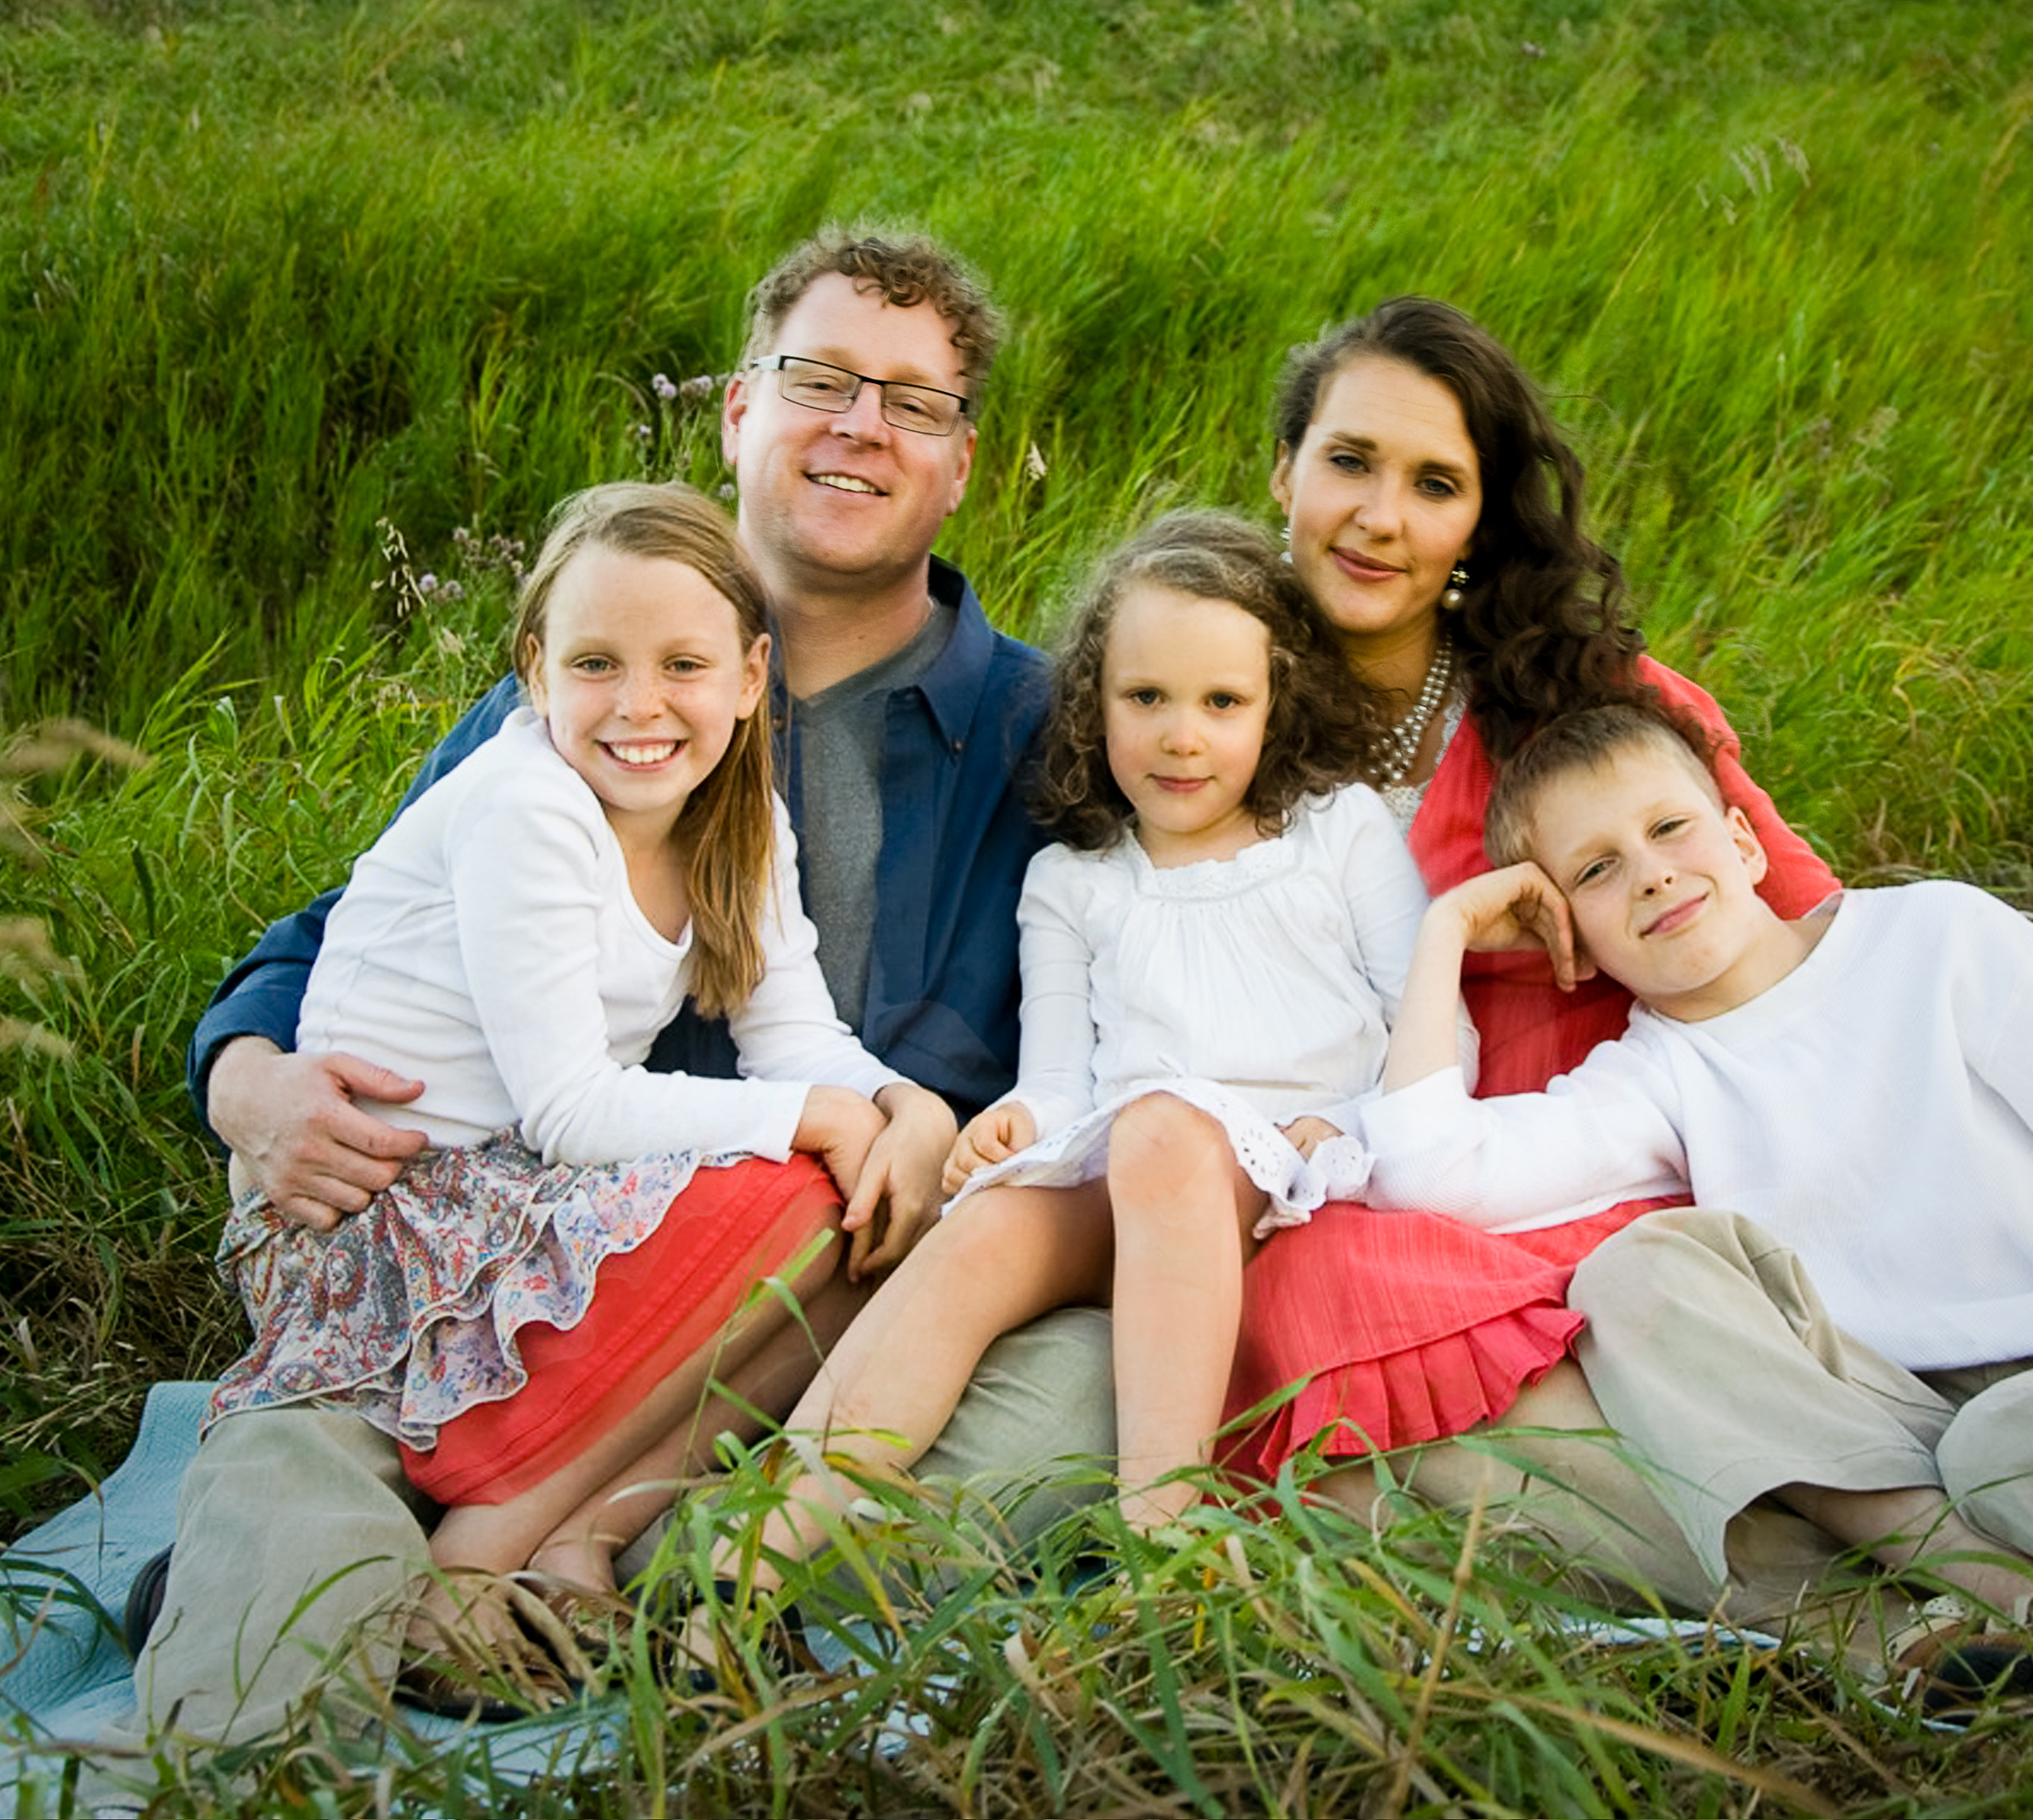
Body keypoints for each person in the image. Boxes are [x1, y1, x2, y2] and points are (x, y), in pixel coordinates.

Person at [131, 230, 1115, 1750]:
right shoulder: (592, 689)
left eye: (911, 404)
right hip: (515, 1223)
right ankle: (336, 1647)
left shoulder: (1045, 726)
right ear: (737, 409)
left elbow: (1125, 987)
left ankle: (583, 1570)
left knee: (1051, 1405)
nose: (860, 427)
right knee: (310, 1447)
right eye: (822, 380)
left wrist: (922, 1119)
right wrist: (247, 1076)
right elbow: (349, 932)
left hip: (852, 1274)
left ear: (964, 462)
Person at [694, 510, 1581, 1622]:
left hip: (1297, 1171)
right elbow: (1064, 1083)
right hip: (1134, 1181)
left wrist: (1346, 1133)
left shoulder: (1335, 832)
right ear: (1094, 705)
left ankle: (1163, 1548)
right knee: (986, 1229)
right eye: (1145, 699)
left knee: (1164, 1128)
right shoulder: (1076, 882)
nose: (1181, 736)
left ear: (1276, 704)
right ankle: (751, 1564)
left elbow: (1440, 1032)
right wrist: (1012, 1124)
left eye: (1222, 703)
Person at [1362, 699, 2033, 1684]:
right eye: (1597, 870)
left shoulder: (1939, 938)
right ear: (1571, 940)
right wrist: (1446, 934)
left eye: (1669, 828)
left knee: (2021, 1439)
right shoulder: (1656, 1077)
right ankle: (2026, 1606)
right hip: (1898, 1437)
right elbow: (1427, 1168)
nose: (1653, 872)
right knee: (1637, 1273)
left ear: (1747, 842)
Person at [202, 482, 940, 1711]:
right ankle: (479, 1552)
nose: (641, 706)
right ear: (533, 671)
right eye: (596, 663)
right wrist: (822, 1120)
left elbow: (797, 1036)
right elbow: (572, 1113)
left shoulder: (736, 815)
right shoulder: (527, 809)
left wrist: (904, 1110)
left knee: (867, 1216)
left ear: (752, 676)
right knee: (808, 1188)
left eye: (684, 664)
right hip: (385, 1225)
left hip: (505, 1198)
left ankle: (582, 1531)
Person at [1230, 296, 1853, 1622]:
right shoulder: (1210, 714)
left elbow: (1803, 936)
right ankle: (1824, 1604)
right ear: (1283, 471)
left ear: (1482, 520)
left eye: (1435, 483)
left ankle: (1859, 1571)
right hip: (1373, 1170)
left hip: (1623, 1156)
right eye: (1348, 462)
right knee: (1310, 1316)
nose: (1379, 518)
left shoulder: (1601, 707)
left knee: (1353, 1304)